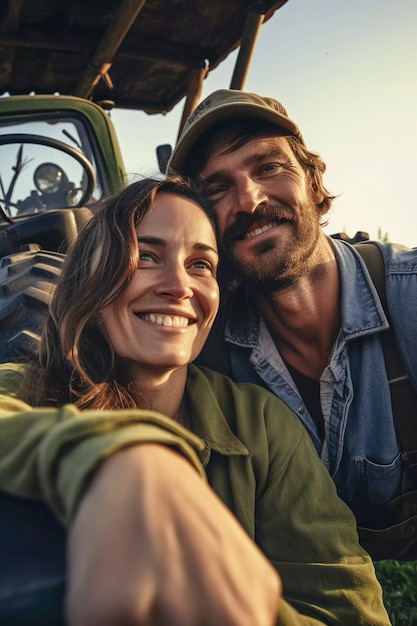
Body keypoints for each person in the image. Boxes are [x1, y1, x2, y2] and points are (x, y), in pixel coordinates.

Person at [0, 176, 390, 625]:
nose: (179, 286)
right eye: (146, 255)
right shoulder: (31, 389)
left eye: (201, 264)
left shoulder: (260, 424)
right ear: (91, 274)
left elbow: (348, 610)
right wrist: (124, 457)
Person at [167, 88, 417, 561]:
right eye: (217, 189)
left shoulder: (409, 297)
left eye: (268, 167)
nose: (248, 200)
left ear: (314, 181)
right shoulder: (202, 344)